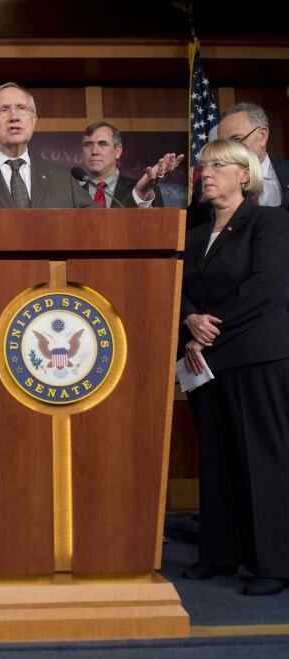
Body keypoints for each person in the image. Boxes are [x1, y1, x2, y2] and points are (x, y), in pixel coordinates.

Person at [179, 139, 289, 597]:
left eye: (218, 165)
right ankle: (219, 554)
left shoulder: (269, 223)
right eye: (203, 166)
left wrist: (208, 329)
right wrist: (188, 318)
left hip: (255, 356)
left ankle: (273, 563)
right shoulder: (195, 233)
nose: (207, 173)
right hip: (203, 362)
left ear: (245, 174)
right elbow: (176, 284)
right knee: (217, 460)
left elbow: (264, 288)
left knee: (262, 461)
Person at [0, 82, 183, 211]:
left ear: (33, 120)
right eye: (3, 110)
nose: (14, 116)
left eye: (22, 109)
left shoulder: (65, 179)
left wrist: (141, 192)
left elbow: (108, 227)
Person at [188, 102, 289, 226]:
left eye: (236, 140)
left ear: (262, 136)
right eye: (224, 144)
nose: (229, 150)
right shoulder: (207, 185)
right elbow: (186, 233)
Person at [81, 121, 169, 208]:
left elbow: (157, 221)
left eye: (103, 144)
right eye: (88, 145)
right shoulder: (71, 194)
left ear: (118, 151)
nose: (94, 151)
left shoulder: (146, 191)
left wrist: (141, 194)